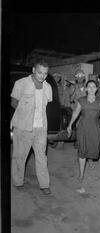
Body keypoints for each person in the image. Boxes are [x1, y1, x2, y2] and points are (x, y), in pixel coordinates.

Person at [11, 59, 53, 195]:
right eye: (40, 72)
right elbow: (14, 102)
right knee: (19, 157)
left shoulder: (48, 87)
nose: (43, 76)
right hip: (23, 128)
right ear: (34, 70)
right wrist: (25, 115)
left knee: (42, 157)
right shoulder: (21, 83)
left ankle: (44, 184)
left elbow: (46, 106)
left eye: (45, 74)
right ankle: (18, 181)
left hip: (41, 129)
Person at [67, 80, 100, 181]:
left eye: (93, 86)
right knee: (82, 149)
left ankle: (89, 158)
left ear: (96, 89)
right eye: (89, 87)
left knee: (94, 147)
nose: (91, 89)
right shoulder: (81, 100)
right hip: (83, 127)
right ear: (86, 89)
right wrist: (70, 125)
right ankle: (81, 173)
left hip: (95, 127)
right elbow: (76, 113)